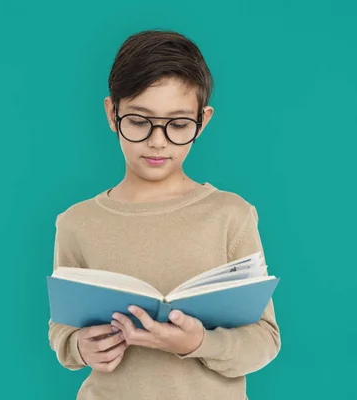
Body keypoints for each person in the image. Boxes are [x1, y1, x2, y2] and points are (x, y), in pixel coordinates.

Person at [48, 29, 280, 400]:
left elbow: (264, 340)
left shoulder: (230, 216)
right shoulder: (77, 223)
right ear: (113, 112)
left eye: (178, 124)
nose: (158, 141)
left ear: (202, 121)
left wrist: (199, 341)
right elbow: (62, 328)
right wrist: (79, 346)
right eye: (139, 121)